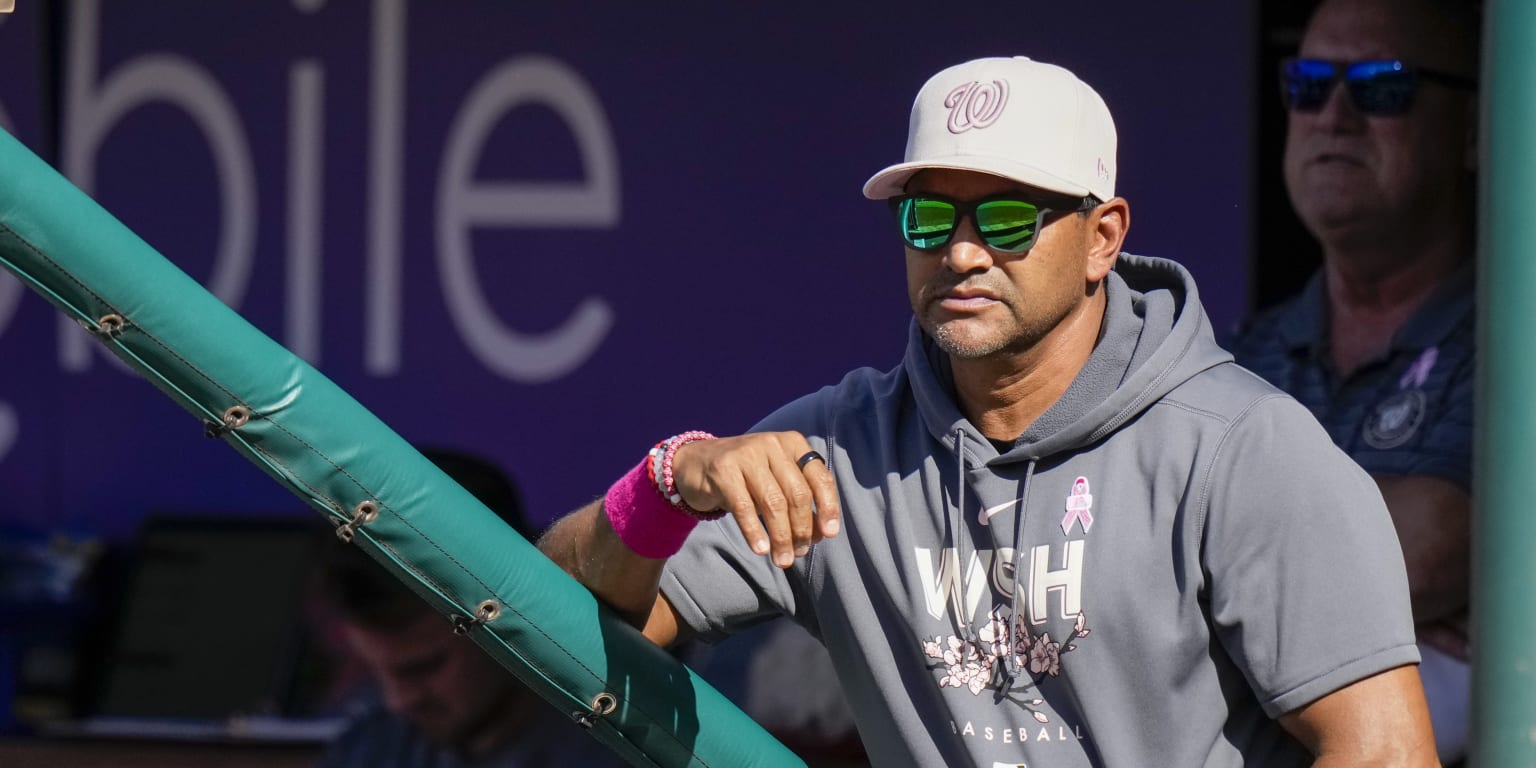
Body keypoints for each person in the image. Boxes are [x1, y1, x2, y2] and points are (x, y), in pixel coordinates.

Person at [539, 55, 1439, 766]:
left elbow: (1386, 752)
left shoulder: (1242, 446)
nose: (962, 253)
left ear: (1103, 238)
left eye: (1007, 219)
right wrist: (668, 481)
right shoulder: (838, 448)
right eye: (930, 218)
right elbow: (553, 616)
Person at [1230, 0, 1478, 761]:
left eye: (1382, 86)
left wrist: (1222, 577)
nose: (1332, 114)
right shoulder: (1242, 352)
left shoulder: (1510, 337)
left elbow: (1434, 546)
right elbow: (1145, 545)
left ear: (1473, 129)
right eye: (1308, 83)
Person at [314, 448, 622, 768]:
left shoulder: (639, 749)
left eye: (424, 666)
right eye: (372, 669)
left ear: (514, 608)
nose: (398, 701)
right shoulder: (370, 749)